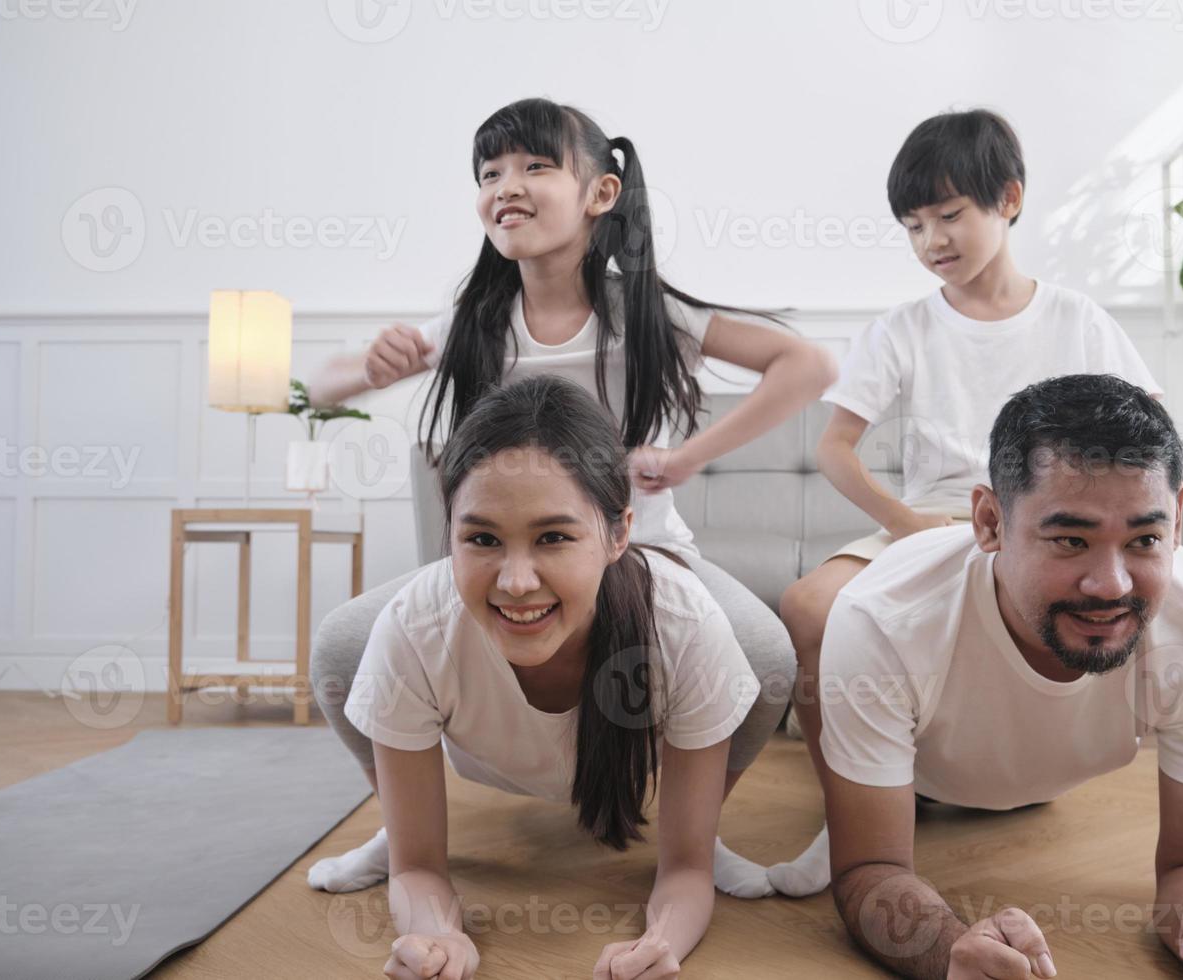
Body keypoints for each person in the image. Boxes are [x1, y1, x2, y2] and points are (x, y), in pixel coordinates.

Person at [770, 109, 1183, 915]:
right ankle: (842, 821)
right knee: (809, 603)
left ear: (1010, 200)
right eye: (913, 226)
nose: (932, 241)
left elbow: (1151, 453)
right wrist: (906, 522)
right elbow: (834, 448)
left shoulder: (1075, 317)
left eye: (949, 215)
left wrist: (1149, 547)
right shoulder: (903, 329)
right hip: (936, 516)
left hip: (1070, 518)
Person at [306, 97, 835, 899]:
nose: (505, 186)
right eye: (489, 173)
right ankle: (402, 827)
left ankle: (696, 835)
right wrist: (371, 366)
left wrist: (686, 457)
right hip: (510, 556)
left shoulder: (647, 313)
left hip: (644, 553)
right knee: (342, 648)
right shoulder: (475, 321)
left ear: (601, 193)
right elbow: (316, 386)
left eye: (533, 166)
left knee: (763, 659)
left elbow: (807, 365)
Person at [793, 374, 1183, 979]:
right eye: (1070, 539)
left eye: (1144, 539)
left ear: (1178, 519)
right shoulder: (884, 621)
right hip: (922, 773)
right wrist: (950, 952)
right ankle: (848, 785)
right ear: (989, 522)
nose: (1111, 585)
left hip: (1046, 771)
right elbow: (869, 868)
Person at [340, 376, 763, 980]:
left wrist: (660, 943)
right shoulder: (413, 627)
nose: (516, 582)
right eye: (482, 538)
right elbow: (417, 868)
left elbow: (687, 870)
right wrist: (436, 937)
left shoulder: (685, 628)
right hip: (478, 752)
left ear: (619, 533)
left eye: (553, 538)